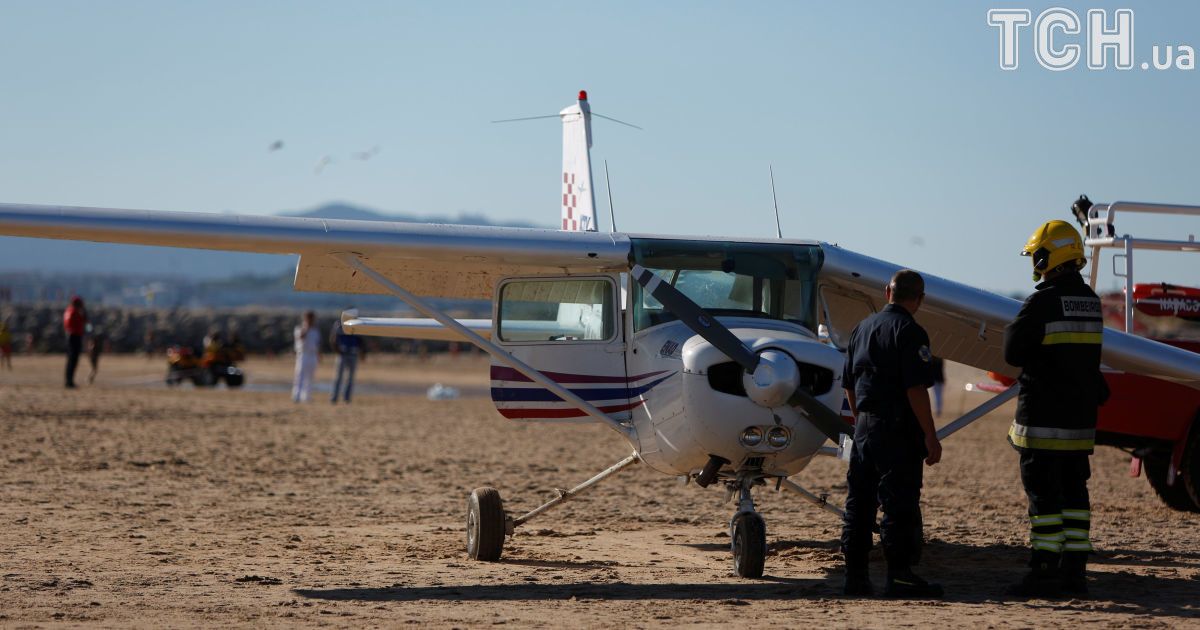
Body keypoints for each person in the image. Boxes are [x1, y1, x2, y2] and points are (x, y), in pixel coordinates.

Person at [1004, 219, 1107, 598]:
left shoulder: (1041, 302)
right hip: (1078, 424)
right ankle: (1074, 573)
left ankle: (1044, 572)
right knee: (1075, 497)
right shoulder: (1091, 302)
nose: (1036, 263)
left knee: (1044, 501)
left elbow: (1012, 352)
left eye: (1038, 256)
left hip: (1043, 423)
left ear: (1050, 257)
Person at [841, 269, 944, 598]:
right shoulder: (910, 331)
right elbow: (915, 389)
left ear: (888, 291)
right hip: (897, 429)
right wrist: (930, 435)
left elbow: (849, 385)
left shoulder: (861, 327)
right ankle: (899, 576)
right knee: (898, 504)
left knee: (859, 504)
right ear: (920, 299)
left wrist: (861, 422)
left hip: (864, 427)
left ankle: (855, 577)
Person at [329, 310, 362, 404]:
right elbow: (333, 338)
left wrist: (362, 351)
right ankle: (334, 397)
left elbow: (360, 339)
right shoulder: (339, 325)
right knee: (338, 376)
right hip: (342, 352)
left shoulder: (357, 325)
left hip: (353, 352)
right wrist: (337, 350)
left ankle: (346, 398)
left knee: (350, 378)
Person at [292, 311, 320, 402]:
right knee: (299, 376)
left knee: (310, 377)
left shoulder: (315, 330)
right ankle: (296, 395)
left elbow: (317, 343)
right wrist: (306, 327)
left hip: (312, 354)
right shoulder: (299, 328)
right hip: (303, 354)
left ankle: (306, 396)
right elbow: (301, 337)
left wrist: (319, 355)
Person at [63, 296, 87, 388]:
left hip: (71, 336)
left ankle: (69, 379)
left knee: (71, 359)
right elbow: (83, 322)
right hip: (74, 336)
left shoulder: (68, 311)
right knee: (73, 359)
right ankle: (69, 380)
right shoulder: (74, 312)